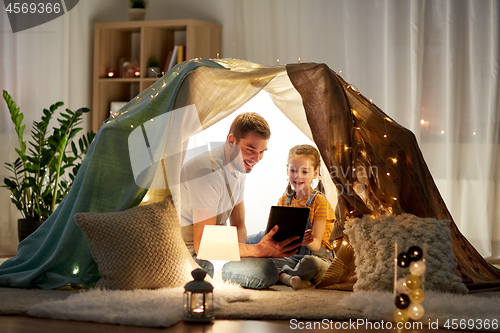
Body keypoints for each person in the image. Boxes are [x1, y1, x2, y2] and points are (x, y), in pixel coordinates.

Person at [179, 112, 300, 289]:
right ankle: (281, 272)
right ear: (231, 140)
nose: (256, 159)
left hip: (220, 241)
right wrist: (258, 251)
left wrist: (255, 249)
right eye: (250, 150)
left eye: (261, 152)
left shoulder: (239, 165)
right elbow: (202, 245)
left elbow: (239, 225)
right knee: (265, 272)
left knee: (272, 237)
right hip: (195, 253)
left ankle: (286, 267)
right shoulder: (208, 172)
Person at [272, 144, 335, 289]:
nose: (297, 176)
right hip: (291, 256)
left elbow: (317, 244)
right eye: (293, 170)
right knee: (265, 262)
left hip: (317, 255)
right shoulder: (283, 201)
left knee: (312, 264)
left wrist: (309, 240)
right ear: (287, 170)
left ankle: (286, 276)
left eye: (304, 172)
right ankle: (293, 278)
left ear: (314, 173)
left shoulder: (320, 201)